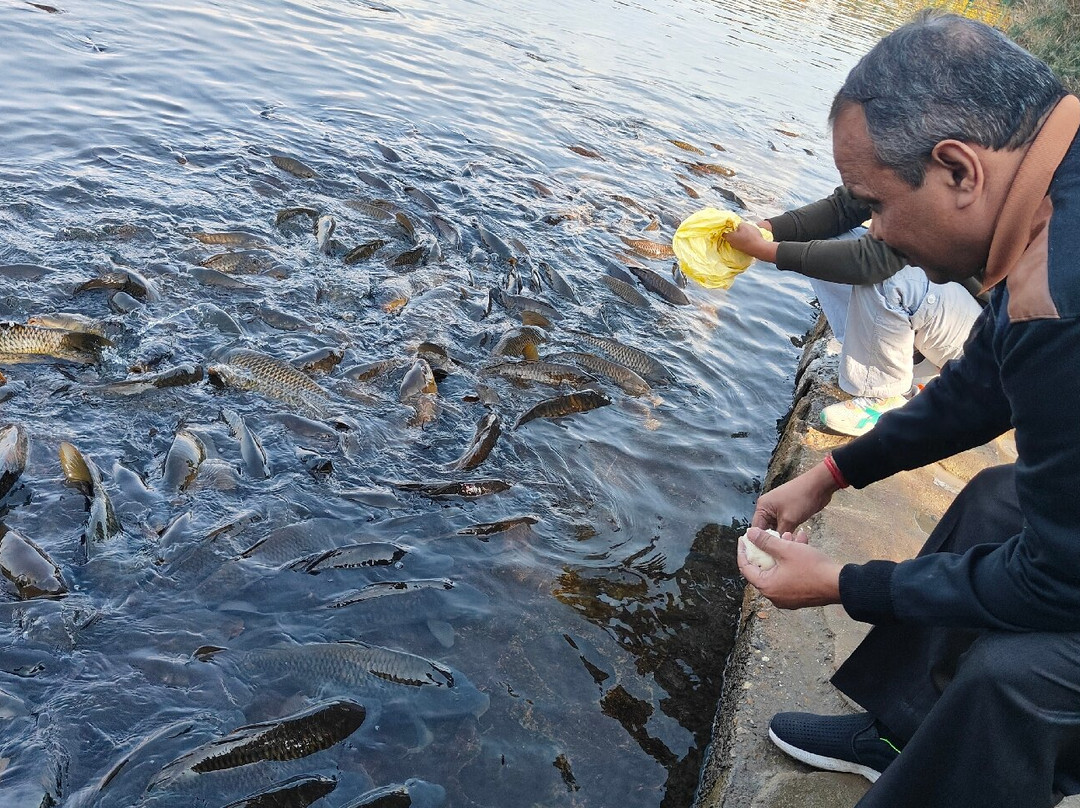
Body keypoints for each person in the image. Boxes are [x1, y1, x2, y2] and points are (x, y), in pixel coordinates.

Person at [737, 11, 1080, 807]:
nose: (877, 234)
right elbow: (981, 384)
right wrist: (831, 471)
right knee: (998, 499)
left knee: (1018, 676)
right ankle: (905, 727)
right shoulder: (1052, 199)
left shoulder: (1060, 299)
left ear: (960, 170)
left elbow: (1058, 584)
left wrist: (846, 583)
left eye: (876, 206)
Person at [725, 190, 983, 437]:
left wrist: (762, 250)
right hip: (951, 312)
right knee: (826, 240)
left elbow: (875, 262)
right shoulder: (906, 161)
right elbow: (843, 207)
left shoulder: (954, 177)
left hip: (988, 346)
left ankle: (885, 395)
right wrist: (761, 230)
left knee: (890, 279)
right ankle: (901, 357)